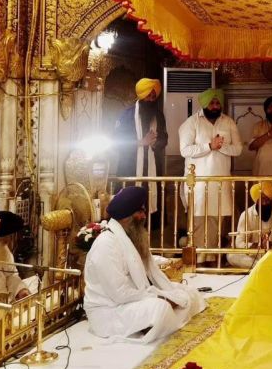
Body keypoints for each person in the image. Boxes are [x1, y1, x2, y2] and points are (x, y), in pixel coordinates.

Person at [84, 186, 205, 343]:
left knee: (188, 292)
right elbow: (119, 294)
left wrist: (165, 293)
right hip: (109, 310)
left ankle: (150, 323)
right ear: (126, 217)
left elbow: (146, 271)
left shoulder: (130, 237)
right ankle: (149, 323)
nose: (143, 216)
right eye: (139, 212)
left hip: (134, 299)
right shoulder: (106, 244)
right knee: (161, 308)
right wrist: (159, 296)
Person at [179, 88, 243, 263]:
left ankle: (213, 261)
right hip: (199, 185)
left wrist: (221, 147)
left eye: (218, 103)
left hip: (221, 184)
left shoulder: (228, 122)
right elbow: (185, 150)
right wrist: (209, 146)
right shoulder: (191, 123)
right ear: (204, 104)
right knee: (199, 221)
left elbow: (238, 149)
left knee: (218, 223)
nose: (215, 106)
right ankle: (198, 262)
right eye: (212, 103)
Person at [114, 78, 169, 215]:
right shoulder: (127, 115)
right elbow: (117, 141)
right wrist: (140, 142)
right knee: (129, 210)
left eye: (153, 96)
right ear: (141, 95)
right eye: (148, 96)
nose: (151, 99)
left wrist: (156, 142)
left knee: (151, 210)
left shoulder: (158, 116)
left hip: (153, 169)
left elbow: (164, 138)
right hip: (130, 169)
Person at [227, 182, 272, 270]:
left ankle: (260, 267)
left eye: (267, 200)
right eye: (262, 200)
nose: (265, 203)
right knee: (231, 256)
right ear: (256, 201)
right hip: (253, 256)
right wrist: (253, 245)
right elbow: (239, 242)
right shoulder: (246, 215)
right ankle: (263, 266)